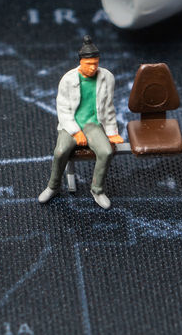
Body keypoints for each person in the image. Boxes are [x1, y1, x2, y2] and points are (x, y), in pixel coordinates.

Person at [38, 35, 123, 209]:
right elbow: (63, 109)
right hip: (71, 124)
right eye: (88, 64)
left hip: (93, 125)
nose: (93, 68)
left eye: (95, 63)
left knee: (106, 152)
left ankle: (97, 190)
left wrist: (112, 132)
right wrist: (75, 131)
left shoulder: (107, 78)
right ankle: (53, 186)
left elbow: (108, 107)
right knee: (61, 151)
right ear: (81, 63)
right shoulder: (68, 80)